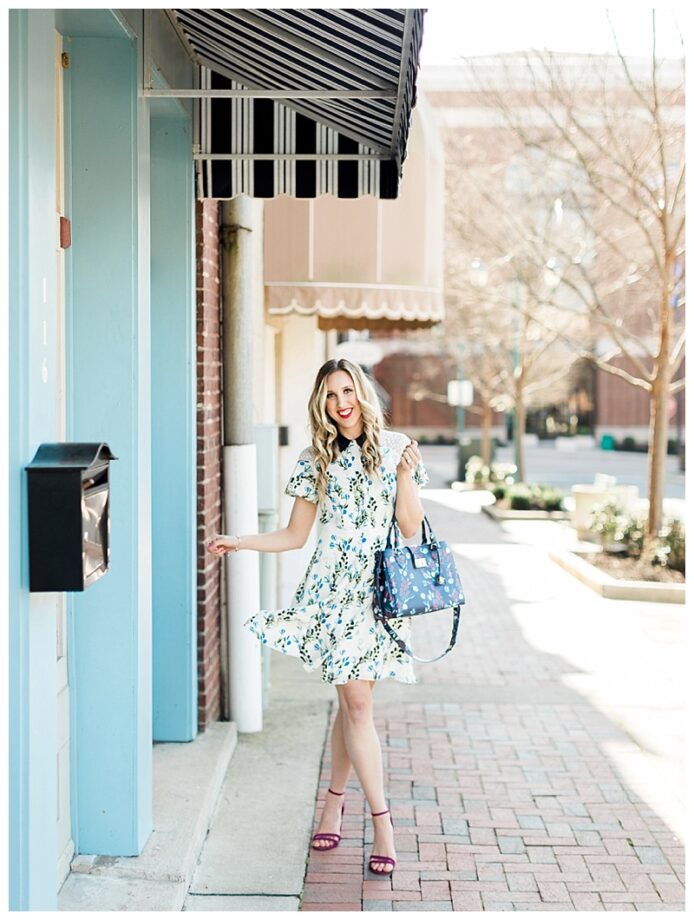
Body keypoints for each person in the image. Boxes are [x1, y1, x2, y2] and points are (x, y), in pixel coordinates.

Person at [206, 357, 428, 876]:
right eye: (330, 395)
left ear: (362, 394)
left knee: (355, 707)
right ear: (321, 404)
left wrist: (406, 475)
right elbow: (294, 536)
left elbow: (411, 526)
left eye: (347, 391)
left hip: (377, 597)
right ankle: (380, 822)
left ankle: (339, 803)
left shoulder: (397, 449)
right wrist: (239, 541)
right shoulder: (314, 459)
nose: (340, 402)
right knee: (354, 706)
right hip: (330, 596)